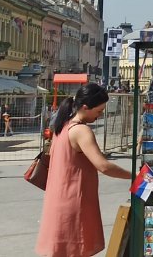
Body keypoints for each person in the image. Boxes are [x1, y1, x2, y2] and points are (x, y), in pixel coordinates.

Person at [36, 83, 131, 257]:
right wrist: (135, 176)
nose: (100, 115)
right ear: (86, 107)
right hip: (74, 201)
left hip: (58, 199)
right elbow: (103, 165)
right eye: (99, 111)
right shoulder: (81, 130)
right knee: (75, 251)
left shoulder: (62, 126)